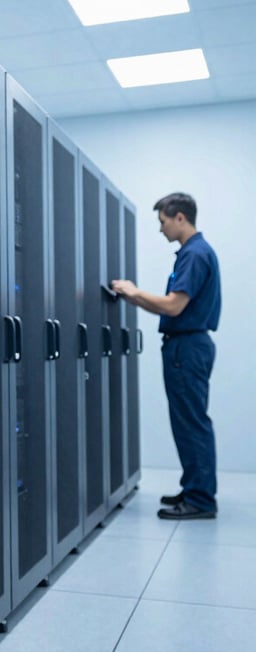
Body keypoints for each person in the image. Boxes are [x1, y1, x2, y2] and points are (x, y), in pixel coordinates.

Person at [111, 192, 221, 520]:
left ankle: (201, 499)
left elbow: (174, 305)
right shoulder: (195, 252)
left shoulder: (195, 254)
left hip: (187, 348)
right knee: (187, 420)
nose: (160, 230)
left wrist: (135, 291)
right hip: (186, 345)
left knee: (191, 423)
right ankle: (194, 488)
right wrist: (135, 298)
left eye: (162, 222)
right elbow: (172, 305)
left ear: (180, 218)